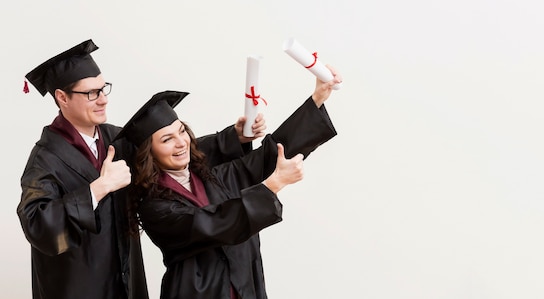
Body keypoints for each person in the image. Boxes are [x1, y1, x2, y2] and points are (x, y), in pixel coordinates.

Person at [17, 39, 266, 299]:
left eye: (104, 89)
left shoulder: (114, 138)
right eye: (92, 93)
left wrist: (233, 138)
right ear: (62, 97)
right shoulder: (45, 158)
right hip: (77, 286)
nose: (103, 100)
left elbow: (168, 153)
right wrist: (97, 189)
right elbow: (37, 224)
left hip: (125, 280)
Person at [114, 69, 341, 299]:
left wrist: (317, 99)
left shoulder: (210, 176)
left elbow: (268, 156)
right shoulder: (154, 206)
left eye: (181, 131)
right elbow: (214, 223)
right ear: (149, 153)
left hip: (244, 287)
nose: (180, 143)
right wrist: (273, 185)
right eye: (167, 139)